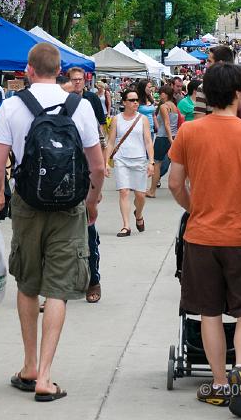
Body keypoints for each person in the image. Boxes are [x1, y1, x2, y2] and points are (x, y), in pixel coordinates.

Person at [0, 42, 104, 401]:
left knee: (28, 282)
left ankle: (29, 366)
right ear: (59, 69)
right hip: (69, 206)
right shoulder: (81, 107)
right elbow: (97, 165)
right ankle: (47, 376)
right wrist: (92, 201)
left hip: (27, 203)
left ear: (28, 69)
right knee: (58, 288)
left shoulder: (11, 106)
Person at [169, 63, 241, 415]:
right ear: (239, 92)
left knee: (209, 312)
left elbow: (173, 184)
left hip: (201, 236)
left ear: (206, 95)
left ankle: (220, 384)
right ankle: (240, 366)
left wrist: (194, 206)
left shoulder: (189, 133)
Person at [69, 67, 107, 304]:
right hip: (63, 179)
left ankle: (93, 279)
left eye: (79, 80)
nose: (76, 84)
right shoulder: (57, 106)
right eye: (72, 80)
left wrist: (97, 185)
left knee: (88, 234)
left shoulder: (89, 102)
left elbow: (100, 140)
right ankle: (56, 285)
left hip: (84, 179)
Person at [105, 88, 154, 236]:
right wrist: (106, 162)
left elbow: (148, 142)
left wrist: (151, 162)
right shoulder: (116, 119)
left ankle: (138, 214)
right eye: (132, 100)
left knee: (140, 195)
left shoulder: (142, 119)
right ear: (124, 102)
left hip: (139, 159)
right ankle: (126, 226)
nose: (135, 103)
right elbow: (111, 141)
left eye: (136, 100)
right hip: (121, 159)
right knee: (124, 192)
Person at [146, 84, 179, 198]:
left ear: (165, 94)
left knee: (157, 164)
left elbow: (166, 123)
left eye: (161, 93)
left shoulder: (164, 106)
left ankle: (152, 190)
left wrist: (169, 138)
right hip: (173, 136)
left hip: (163, 137)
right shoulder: (174, 106)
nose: (159, 95)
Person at [193, 45, 235, 118]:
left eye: (209, 62)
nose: (207, 65)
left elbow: (198, 119)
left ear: (220, 64)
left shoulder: (204, 88)